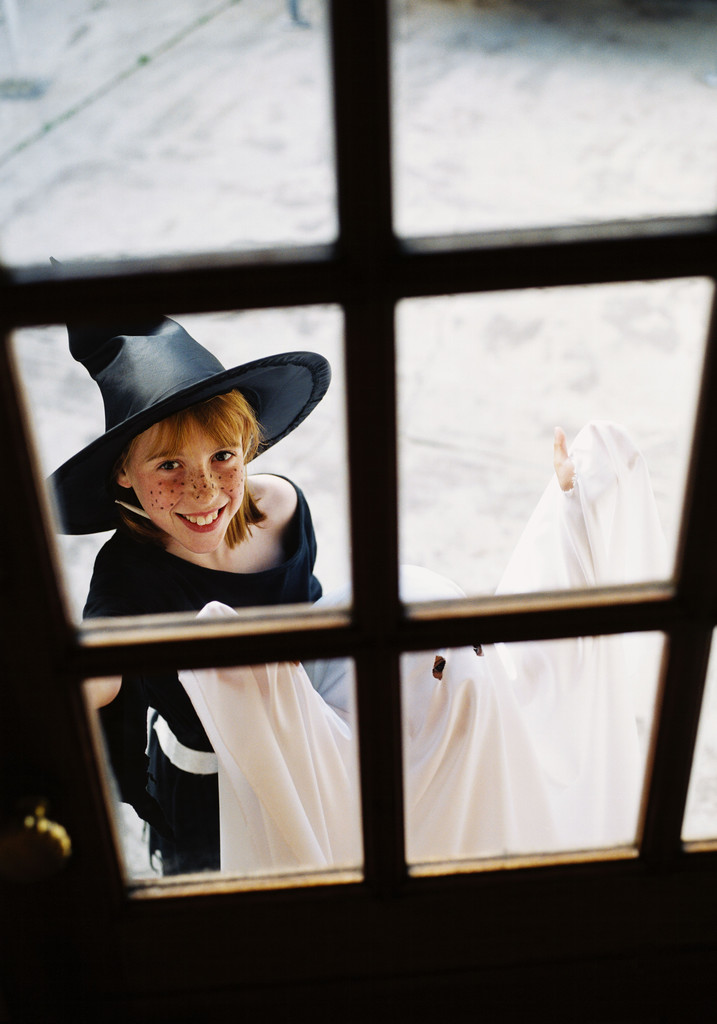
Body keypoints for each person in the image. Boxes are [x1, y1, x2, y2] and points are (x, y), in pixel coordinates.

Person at [50, 314, 331, 874]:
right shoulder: (126, 578)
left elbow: (313, 611)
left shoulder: (285, 510)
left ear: (249, 446)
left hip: (313, 750)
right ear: (123, 473)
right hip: (210, 787)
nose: (202, 490)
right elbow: (95, 678)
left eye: (223, 456)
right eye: (170, 464)